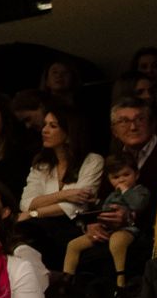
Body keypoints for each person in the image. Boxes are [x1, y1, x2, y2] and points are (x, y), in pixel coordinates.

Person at [18, 106, 103, 267]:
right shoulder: (41, 165)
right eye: (45, 125)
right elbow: (26, 202)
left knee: (28, 229)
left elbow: (77, 204)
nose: (44, 130)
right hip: (43, 228)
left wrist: (34, 213)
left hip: (75, 227)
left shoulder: (92, 161)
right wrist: (65, 194)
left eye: (53, 126)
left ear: (69, 133)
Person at [64, 155, 152, 287]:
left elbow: (137, 204)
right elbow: (104, 209)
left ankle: (120, 280)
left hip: (127, 229)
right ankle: (66, 280)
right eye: (116, 177)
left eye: (126, 175)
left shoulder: (140, 191)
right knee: (73, 245)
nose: (121, 180)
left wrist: (125, 191)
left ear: (136, 174)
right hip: (107, 229)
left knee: (116, 242)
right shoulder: (112, 195)